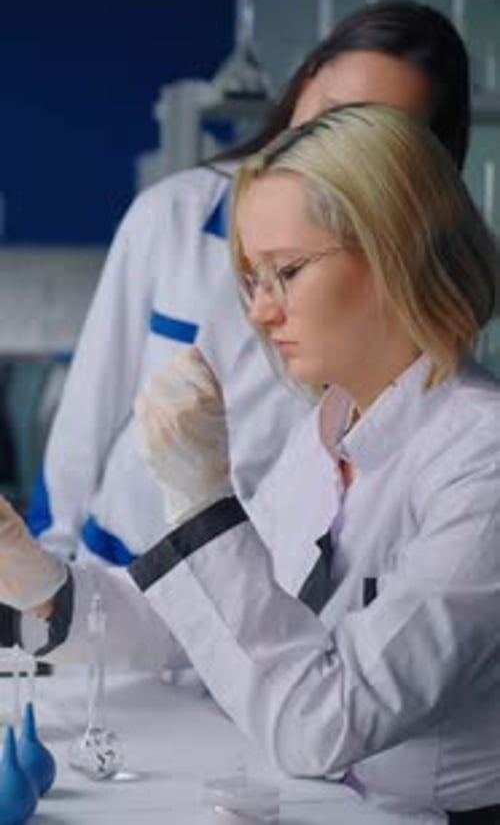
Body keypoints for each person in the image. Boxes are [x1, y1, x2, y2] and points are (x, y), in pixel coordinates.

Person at [1, 104, 499, 823]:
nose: (261, 313)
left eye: (286, 273)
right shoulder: (326, 434)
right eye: (252, 281)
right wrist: (37, 582)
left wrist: (206, 505)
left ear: (396, 250)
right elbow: (191, 623)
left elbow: (323, 726)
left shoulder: (481, 461)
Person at [27, 0, 471, 564]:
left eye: (372, 136)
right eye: (331, 113)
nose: (333, 150)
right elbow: (88, 411)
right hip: (117, 566)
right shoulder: (174, 214)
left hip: (263, 589)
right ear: (305, 83)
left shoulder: (398, 292)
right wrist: (50, 581)